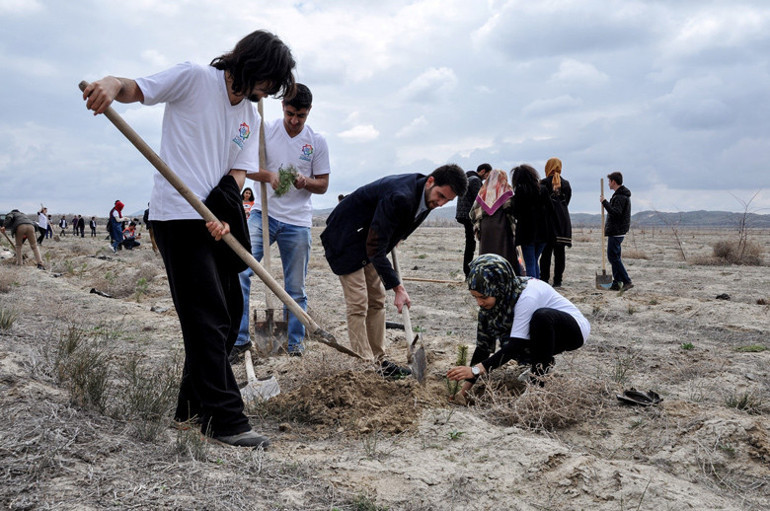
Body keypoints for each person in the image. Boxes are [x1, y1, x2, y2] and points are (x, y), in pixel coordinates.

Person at [82, 29, 295, 448]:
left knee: (230, 312)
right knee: (206, 317)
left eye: (271, 87)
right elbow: (135, 89)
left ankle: (191, 410)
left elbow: (237, 170)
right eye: (265, 81)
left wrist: (224, 210)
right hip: (177, 215)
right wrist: (109, 83)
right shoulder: (195, 77)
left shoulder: (250, 116)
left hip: (213, 218)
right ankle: (225, 419)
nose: (266, 92)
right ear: (248, 64)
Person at [321, 165, 467, 378]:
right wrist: (398, 287)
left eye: (447, 201)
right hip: (344, 238)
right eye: (441, 196)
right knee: (358, 302)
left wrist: (399, 236)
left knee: (378, 299)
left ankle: (378, 359)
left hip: (369, 238)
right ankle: (364, 364)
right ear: (430, 181)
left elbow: (404, 225)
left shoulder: (426, 196)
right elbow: (375, 247)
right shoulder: (401, 196)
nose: (441, 203)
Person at [233, 83, 330, 360]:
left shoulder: (316, 141)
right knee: (241, 271)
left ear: (309, 112)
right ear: (282, 107)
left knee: (295, 287)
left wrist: (305, 181)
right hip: (264, 214)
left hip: (297, 222)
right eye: (290, 113)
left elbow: (323, 184)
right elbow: (248, 167)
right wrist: (270, 176)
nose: (294, 121)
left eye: (301, 115)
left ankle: (295, 346)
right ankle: (239, 341)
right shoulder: (266, 130)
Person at [446, 254, 589, 399]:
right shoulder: (495, 302)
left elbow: (515, 345)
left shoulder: (526, 296)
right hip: (543, 334)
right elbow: (483, 348)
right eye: (475, 297)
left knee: (541, 317)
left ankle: (536, 388)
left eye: (483, 297)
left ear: (499, 289)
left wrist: (476, 370)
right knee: (511, 329)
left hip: (572, 331)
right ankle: (541, 364)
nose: (479, 303)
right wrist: (463, 392)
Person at [469, 168, 522, 275]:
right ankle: (505, 275)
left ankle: (487, 275)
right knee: (504, 252)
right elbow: (511, 208)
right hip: (503, 225)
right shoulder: (506, 189)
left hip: (486, 226)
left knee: (487, 252)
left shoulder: (483, 192)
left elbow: (473, 213)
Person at [510, 164, 549, 279]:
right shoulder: (543, 189)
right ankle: (538, 287)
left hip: (527, 233)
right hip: (543, 232)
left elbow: (515, 212)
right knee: (535, 261)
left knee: (530, 262)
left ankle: (533, 287)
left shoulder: (521, 191)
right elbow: (550, 209)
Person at [540, 158, 572, 287]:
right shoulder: (566, 184)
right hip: (562, 223)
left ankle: (544, 279)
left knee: (546, 253)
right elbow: (566, 203)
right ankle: (558, 280)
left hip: (547, 223)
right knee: (560, 254)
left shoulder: (543, 183)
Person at [455, 163, 490, 277]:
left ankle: (468, 271)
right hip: (470, 215)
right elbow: (479, 199)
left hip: (463, 214)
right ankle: (468, 271)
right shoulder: (475, 180)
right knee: (471, 244)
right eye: (488, 174)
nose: (487, 178)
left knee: (470, 242)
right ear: (483, 171)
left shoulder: (468, 178)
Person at [601, 171, 633, 291]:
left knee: (613, 257)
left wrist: (604, 202)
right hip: (618, 231)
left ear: (614, 181)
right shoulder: (620, 195)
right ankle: (617, 282)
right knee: (614, 257)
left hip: (617, 231)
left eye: (609, 181)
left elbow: (616, 213)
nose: (608, 183)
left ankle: (626, 280)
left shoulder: (620, 197)